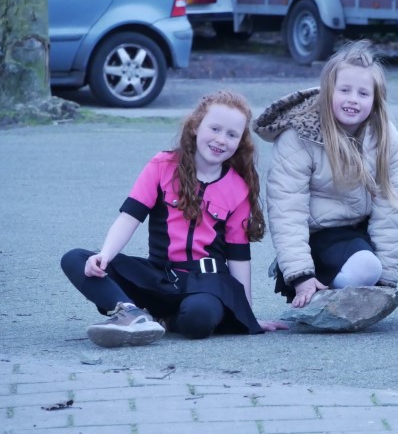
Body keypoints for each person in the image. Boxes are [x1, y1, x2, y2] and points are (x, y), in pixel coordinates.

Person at [252, 39, 398, 323]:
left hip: (362, 223)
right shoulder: (298, 136)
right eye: (344, 90)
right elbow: (287, 212)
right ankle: (321, 291)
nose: (352, 99)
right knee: (366, 268)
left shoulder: (384, 134)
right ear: (328, 90)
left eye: (363, 93)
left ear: (375, 99)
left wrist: (386, 279)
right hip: (320, 237)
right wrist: (300, 274)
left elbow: (391, 205)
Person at [61, 91, 288, 348]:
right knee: (76, 259)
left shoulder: (238, 188)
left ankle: (165, 321)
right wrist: (105, 255)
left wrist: (247, 315)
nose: (221, 140)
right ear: (195, 126)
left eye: (232, 134)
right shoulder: (162, 165)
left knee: (198, 319)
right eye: (214, 129)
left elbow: (239, 256)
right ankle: (130, 313)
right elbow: (129, 218)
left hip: (207, 284)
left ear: (241, 141)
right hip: (157, 277)